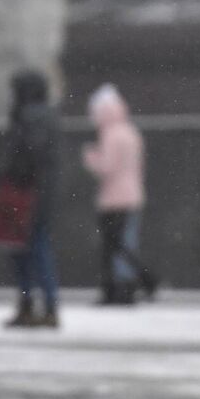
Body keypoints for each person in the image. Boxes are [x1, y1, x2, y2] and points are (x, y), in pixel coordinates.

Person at [82, 83, 159, 305]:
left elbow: (107, 167)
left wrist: (91, 157)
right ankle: (131, 283)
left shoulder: (110, 134)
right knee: (123, 244)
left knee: (113, 246)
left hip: (113, 199)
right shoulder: (130, 131)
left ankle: (131, 283)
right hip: (132, 195)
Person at [4, 70, 60, 329]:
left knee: (29, 250)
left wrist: (16, 175)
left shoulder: (28, 118)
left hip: (27, 192)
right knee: (35, 249)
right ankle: (45, 304)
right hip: (41, 192)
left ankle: (34, 304)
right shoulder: (47, 117)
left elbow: (28, 153)